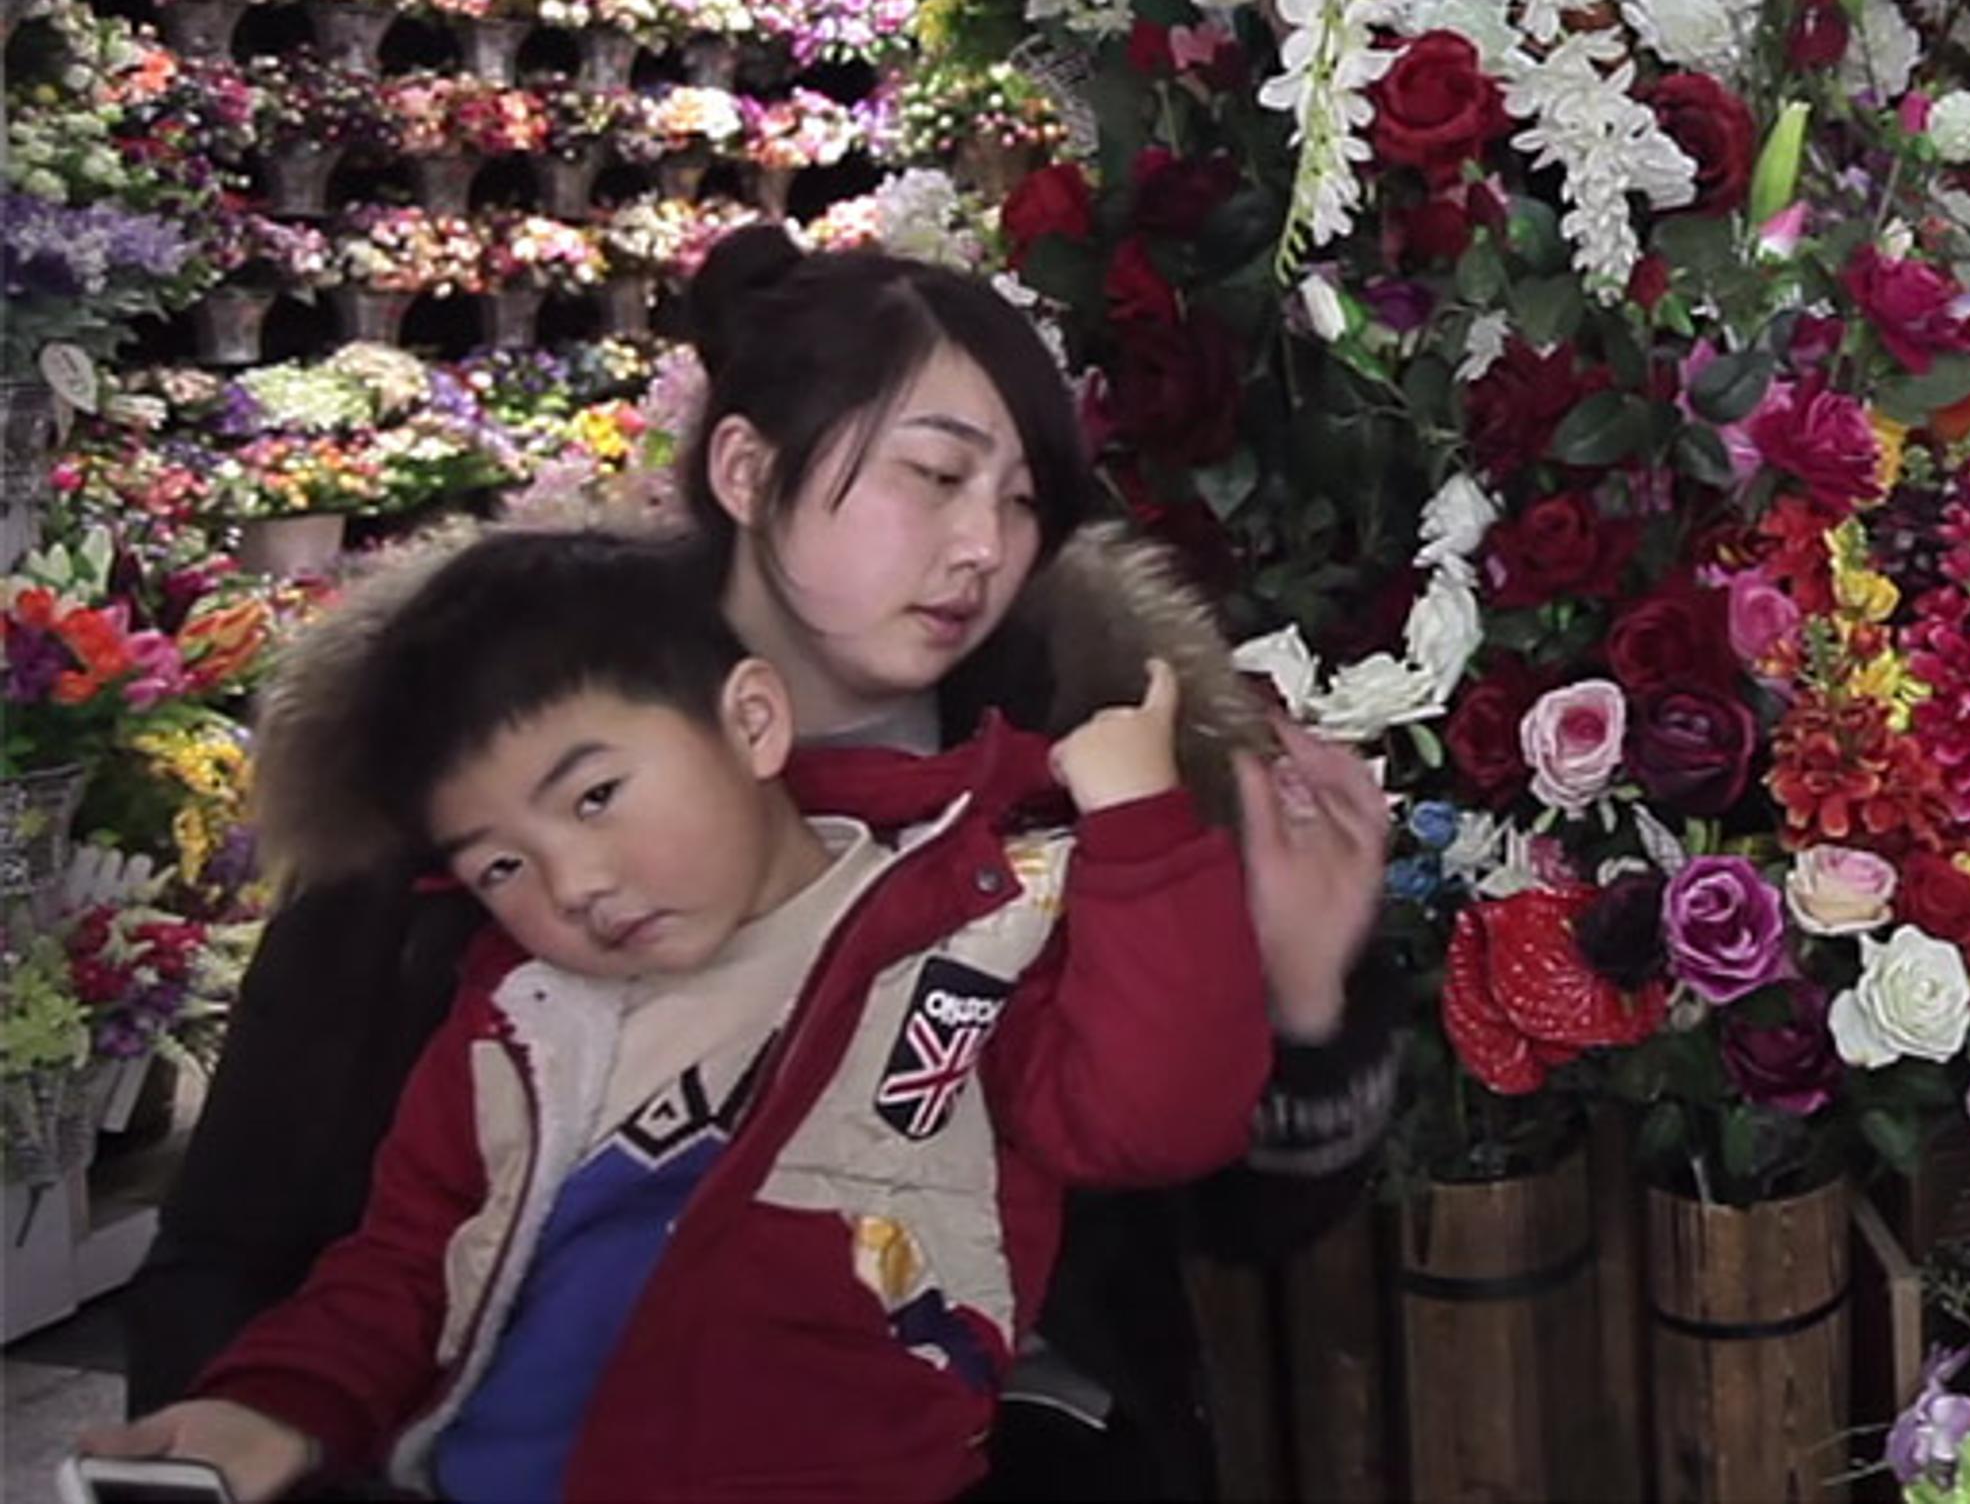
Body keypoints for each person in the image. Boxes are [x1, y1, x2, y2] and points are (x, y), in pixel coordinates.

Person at [128, 228, 1401, 1496]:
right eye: (934, 474)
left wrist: (1301, 1000)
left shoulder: (1100, 779)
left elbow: (1224, 1212)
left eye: (1022, 501)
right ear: (746, 466)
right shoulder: (478, 775)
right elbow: (232, 1254)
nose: (983, 547)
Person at [90, 526, 1272, 1499]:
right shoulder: (521, 1019)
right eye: (501, 864)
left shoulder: (967, 935)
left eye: (597, 794)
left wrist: (1141, 826)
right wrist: (271, 1403)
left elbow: (1155, 1118)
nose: (574, 884)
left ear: (753, 721)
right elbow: (406, 1267)